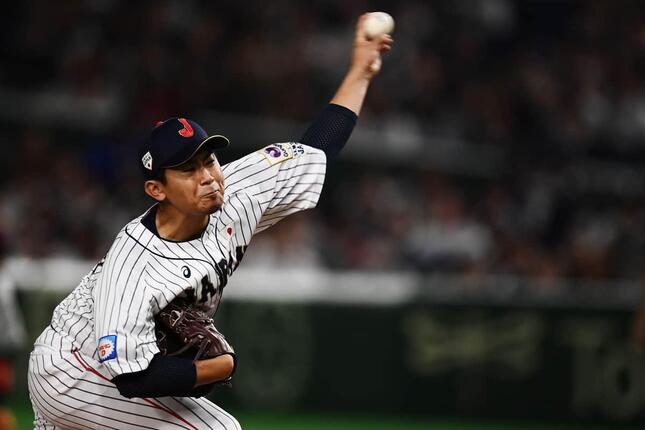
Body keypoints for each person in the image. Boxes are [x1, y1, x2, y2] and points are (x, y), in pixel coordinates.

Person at [27, 14, 392, 430]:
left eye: (209, 158)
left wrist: (360, 70)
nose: (208, 176)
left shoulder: (238, 189)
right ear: (156, 190)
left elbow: (316, 149)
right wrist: (218, 368)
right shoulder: (134, 264)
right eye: (187, 169)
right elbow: (131, 378)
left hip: (105, 367)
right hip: (73, 370)